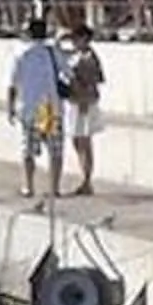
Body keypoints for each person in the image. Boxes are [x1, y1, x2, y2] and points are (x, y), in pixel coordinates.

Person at [7, 16, 64, 200]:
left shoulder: (19, 53)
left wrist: (10, 107)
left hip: (30, 107)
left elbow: (12, 83)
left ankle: (29, 186)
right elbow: (66, 73)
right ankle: (54, 188)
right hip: (51, 106)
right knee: (55, 149)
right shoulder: (52, 51)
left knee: (28, 149)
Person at [52, 17, 107, 198]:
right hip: (74, 101)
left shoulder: (88, 57)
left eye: (77, 38)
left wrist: (84, 100)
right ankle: (85, 178)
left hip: (84, 102)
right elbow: (57, 52)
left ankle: (87, 180)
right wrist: (61, 38)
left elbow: (93, 81)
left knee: (84, 141)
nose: (74, 41)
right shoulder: (75, 55)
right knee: (77, 141)